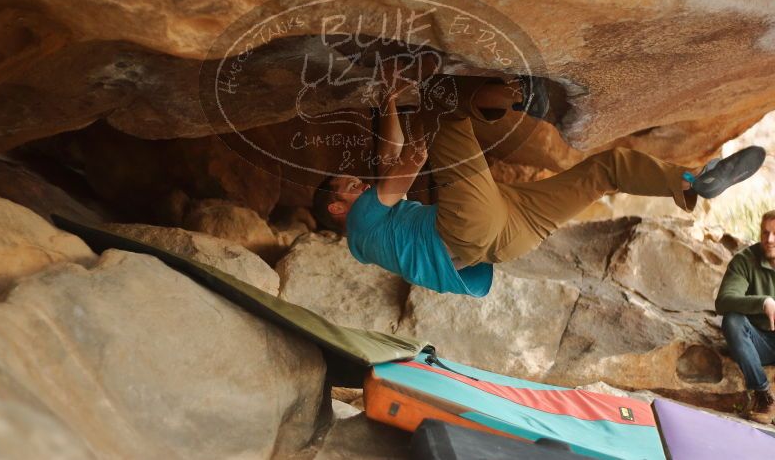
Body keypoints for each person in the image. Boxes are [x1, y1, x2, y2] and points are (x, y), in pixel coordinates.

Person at [312, 56, 766, 299]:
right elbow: (403, 164)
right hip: (466, 230)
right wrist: (417, 122)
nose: (356, 181)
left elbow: (385, 160)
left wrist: (389, 102)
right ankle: (522, 93)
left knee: (604, 170)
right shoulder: (362, 222)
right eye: (346, 184)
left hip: (506, 238)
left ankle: (691, 182)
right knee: (440, 97)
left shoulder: (370, 232)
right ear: (337, 207)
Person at [716, 211, 775, 425]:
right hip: (756, 341)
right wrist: (763, 303)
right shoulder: (745, 260)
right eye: (765, 233)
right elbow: (723, 301)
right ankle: (763, 396)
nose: (769, 240)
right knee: (732, 320)